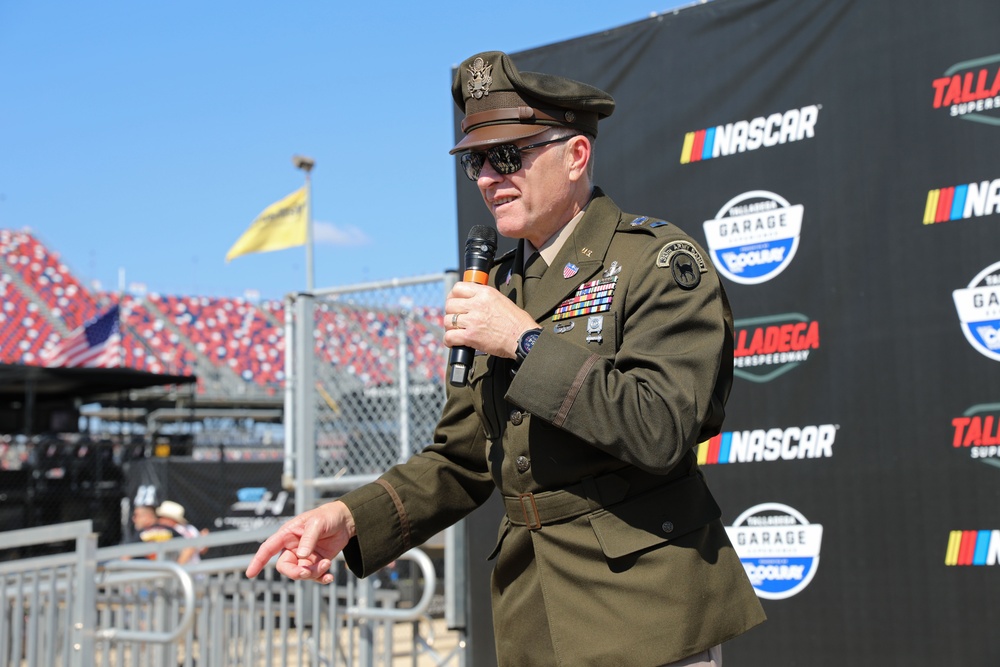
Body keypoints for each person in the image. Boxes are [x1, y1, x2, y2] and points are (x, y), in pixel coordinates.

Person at [247, 50, 766, 666]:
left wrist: (525, 344)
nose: (490, 177)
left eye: (509, 156)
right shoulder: (496, 288)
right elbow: (462, 458)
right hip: (531, 615)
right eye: (475, 161)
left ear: (576, 156)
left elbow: (662, 428)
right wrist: (349, 518)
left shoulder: (654, 261)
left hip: (644, 613)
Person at [155, 500, 203, 565]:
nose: (159, 520)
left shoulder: (175, 531)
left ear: (170, 519)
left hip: (182, 572)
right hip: (193, 571)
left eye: (162, 517)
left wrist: (177, 569)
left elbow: (191, 548)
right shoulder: (190, 528)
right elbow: (202, 549)